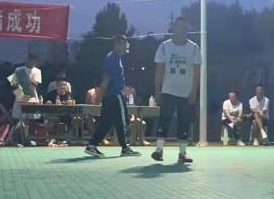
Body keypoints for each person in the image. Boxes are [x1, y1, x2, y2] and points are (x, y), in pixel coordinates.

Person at [152, 16, 200, 164]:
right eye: (179, 27)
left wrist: (194, 91)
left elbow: (197, 72)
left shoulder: (194, 48)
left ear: (188, 29)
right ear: (174, 28)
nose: (182, 30)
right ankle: (159, 150)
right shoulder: (164, 46)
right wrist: (157, 90)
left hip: (186, 92)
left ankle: (182, 153)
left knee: (184, 122)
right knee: (164, 119)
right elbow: (159, 69)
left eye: (185, 28)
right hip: (168, 90)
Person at [84, 35, 141, 158]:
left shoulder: (115, 58)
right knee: (123, 120)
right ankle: (125, 147)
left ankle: (92, 145)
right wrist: (99, 95)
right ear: (117, 44)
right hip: (115, 95)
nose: (127, 46)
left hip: (110, 96)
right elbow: (106, 78)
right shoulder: (112, 59)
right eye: (125, 43)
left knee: (106, 122)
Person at [5, 53, 42, 147]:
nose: (33, 62)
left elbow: (36, 84)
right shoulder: (19, 70)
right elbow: (13, 84)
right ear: (28, 60)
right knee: (18, 120)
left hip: (32, 98)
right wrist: (21, 96)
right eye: (31, 60)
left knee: (30, 120)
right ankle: (13, 140)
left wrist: (29, 80)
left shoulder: (37, 71)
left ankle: (28, 140)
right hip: (20, 97)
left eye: (35, 61)